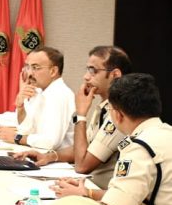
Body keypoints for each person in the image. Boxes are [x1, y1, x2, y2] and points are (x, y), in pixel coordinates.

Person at [51, 73, 172, 205]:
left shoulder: (139, 148)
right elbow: (132, 194)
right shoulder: (165, 133)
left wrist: (79, 201)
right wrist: (87, 192)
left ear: (117, 115)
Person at [14, 46, 131, 188]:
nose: (86, 76)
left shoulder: (120, 113)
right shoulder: (103, 107)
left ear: (115, 75)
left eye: (93, 70)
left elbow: (82, 166)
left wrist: (81, 115)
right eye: (87, 70)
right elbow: (81, 149)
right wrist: (49, 156)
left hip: (100, 189)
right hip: (87, 182)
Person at [0, 46, 75, 150]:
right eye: (27, 67)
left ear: (53, 71)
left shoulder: (60, 95)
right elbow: (26, 130)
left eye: (35, 67)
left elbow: (51, 142)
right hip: (38, 152)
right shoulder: (39, 91)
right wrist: (21, 106)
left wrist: (16, 138)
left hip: (55, 157)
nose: (29, 73)